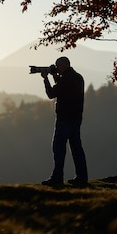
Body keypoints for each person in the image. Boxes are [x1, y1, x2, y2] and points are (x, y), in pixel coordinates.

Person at [41, 56, 88, 186]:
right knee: (76, 148)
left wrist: (46, 79)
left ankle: (57, 178)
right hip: (76, 117)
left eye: (58, 65)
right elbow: (63, 89)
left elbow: (52, 93)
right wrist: (56, 76)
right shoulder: (77, 77)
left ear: (63, 65)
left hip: (64, 118)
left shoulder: (66, 79)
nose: (56, 68)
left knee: (58, 147)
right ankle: (82, 178)